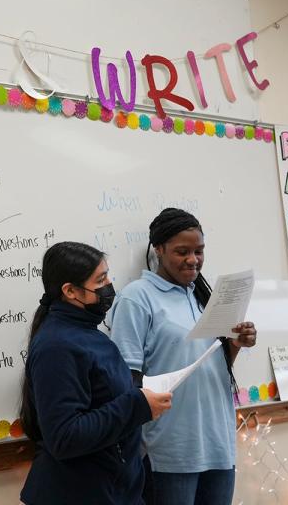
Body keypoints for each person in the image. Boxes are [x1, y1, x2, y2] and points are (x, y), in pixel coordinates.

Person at [108, 208, 257, 505]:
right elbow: (126, 379)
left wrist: (237, 344)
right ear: (159, 250)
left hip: (217, 442)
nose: (193, 260)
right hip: (168, 449)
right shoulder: (137, 297)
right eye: (182, 251)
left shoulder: (204, 295)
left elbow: (211, 364)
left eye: (199, 251)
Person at [20, 241, 173, 505]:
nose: (109, 286)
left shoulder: (87, 333)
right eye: (100, 280)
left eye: (107, 275)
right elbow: (64, 436)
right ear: (70, 291)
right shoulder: (56, 346)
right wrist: (137, 405)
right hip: (77, 493)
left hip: (112, 489)